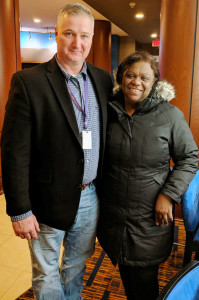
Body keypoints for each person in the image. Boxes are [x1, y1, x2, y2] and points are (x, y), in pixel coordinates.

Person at [1, 3, 112, 300]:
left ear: (91, 38)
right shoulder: (29, 82)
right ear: (56, 35)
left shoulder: (103, 80)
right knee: (46, 271)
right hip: (47, 199)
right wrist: (19, 210)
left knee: (77, 265)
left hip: (90, 196)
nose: (78, 43)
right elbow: (14, 153)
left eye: (85, 35)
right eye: (69, 33)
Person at [97, 51, 198, 300]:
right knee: (127, 277)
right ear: (120, 78)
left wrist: (168, 194)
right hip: (114, 214)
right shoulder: (107, 112)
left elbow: (190, 158)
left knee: (144, 282)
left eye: (145, 77)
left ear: (154, 83)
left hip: (150, 217)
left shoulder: (169, 115)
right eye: (130, 75)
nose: (136, 81)